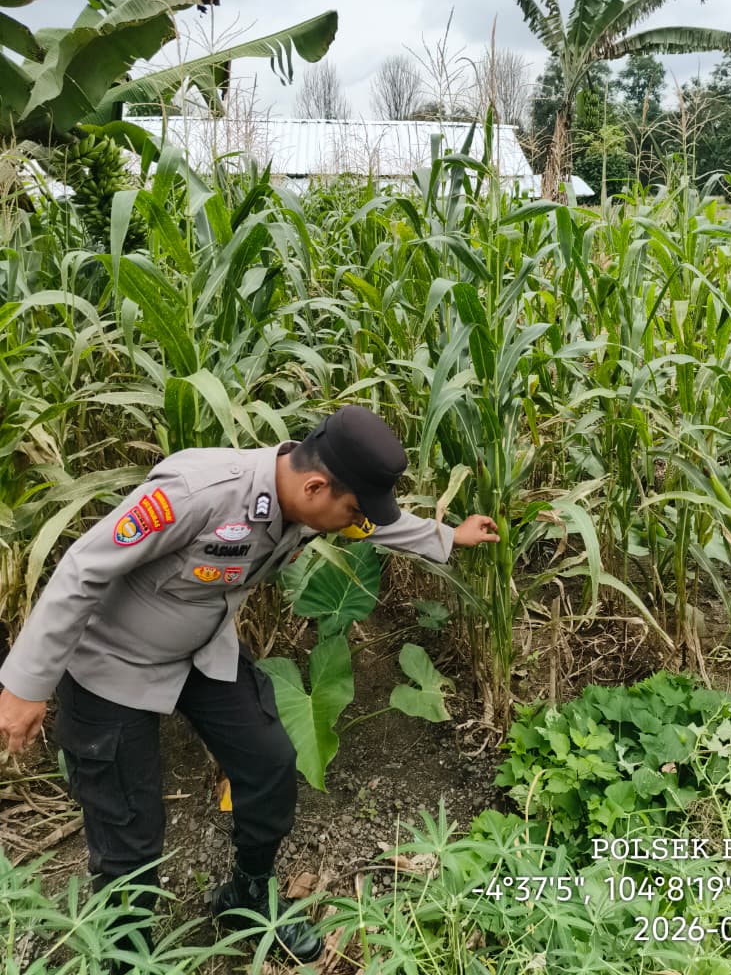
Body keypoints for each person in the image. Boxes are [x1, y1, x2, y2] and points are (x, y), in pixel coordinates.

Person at [0, 405, 499, 963]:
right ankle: (126, 952)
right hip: (113, 664)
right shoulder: (197, 493)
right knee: (130, 829)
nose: (355, 522)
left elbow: (372, 521)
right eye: (352, 510)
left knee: (269, 763)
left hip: (201, 650)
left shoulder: (308, 497)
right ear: (316, 487)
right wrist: (27, 683)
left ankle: (247, 895)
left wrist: (446, 536)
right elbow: (82, 568)